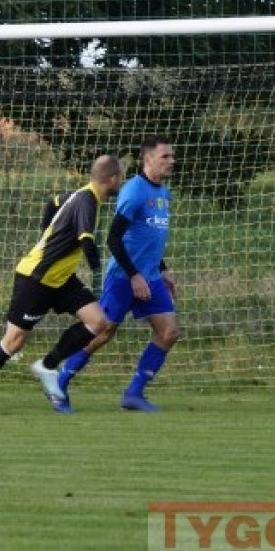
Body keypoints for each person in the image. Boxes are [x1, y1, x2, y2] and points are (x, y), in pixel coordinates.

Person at [0, 155, 126, 417]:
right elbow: (86, 241)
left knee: (99, 322)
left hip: (60, 279)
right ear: (113, 179)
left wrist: (49, 233)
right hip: (36, 278)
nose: (122, 183)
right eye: (122, 178)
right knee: (14, 342)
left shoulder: (78, 195)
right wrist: (97, 271)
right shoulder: (87, 200)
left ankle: (47, 367)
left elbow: (53, 203)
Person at [48, 136, 180, 412]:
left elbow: (149, 238)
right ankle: (59, 382)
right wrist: (134, 275)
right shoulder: (134, 191)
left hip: (150, 278)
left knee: (169, 332)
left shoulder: (163, 193)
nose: (171, 161)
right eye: (165, 156)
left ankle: (133, 394)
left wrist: (163, 270)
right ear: (147, 159)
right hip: (124, 277)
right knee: (104, 331)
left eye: (172, 156)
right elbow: (113, 238)